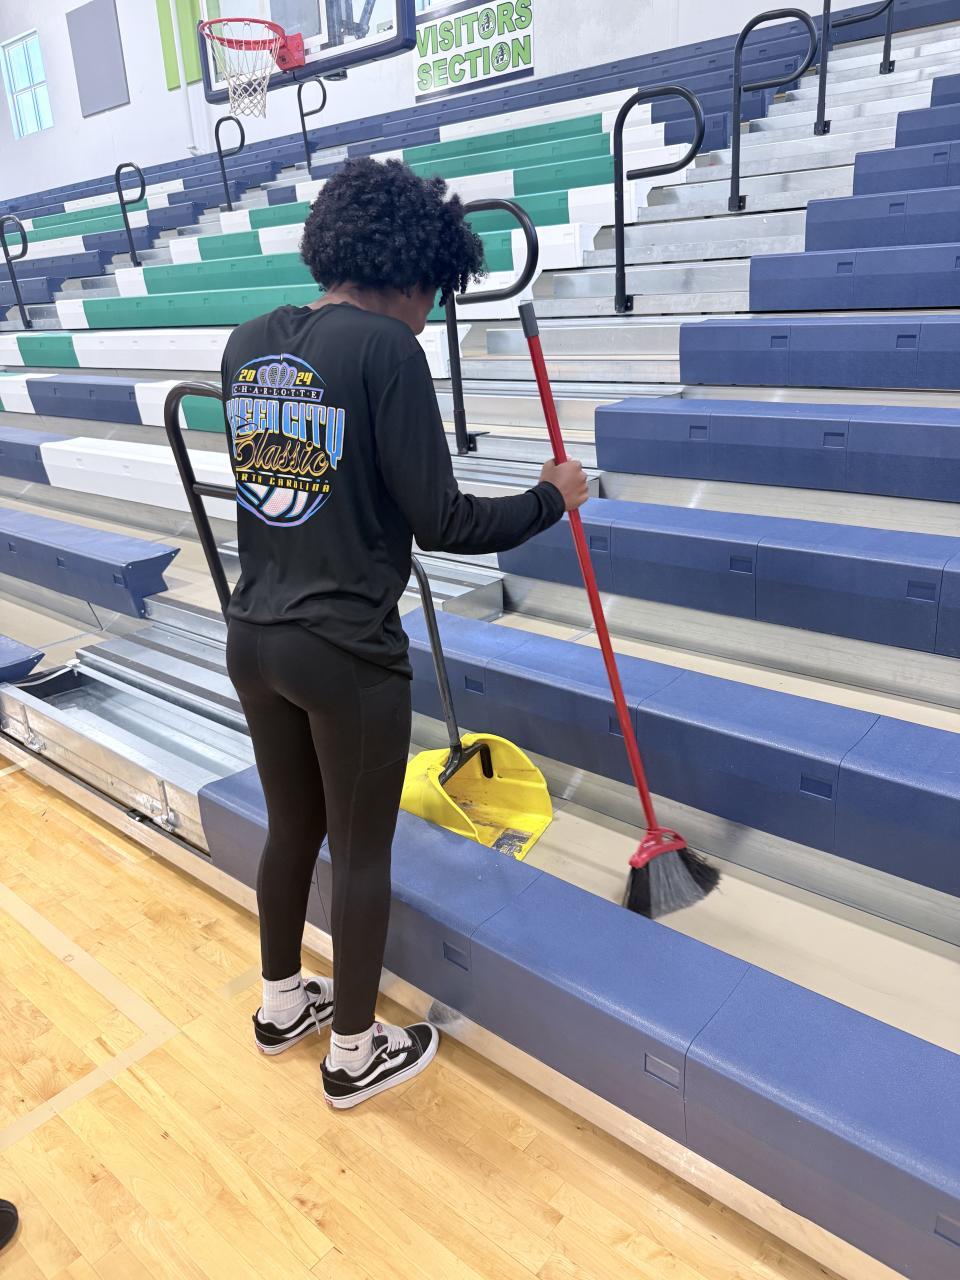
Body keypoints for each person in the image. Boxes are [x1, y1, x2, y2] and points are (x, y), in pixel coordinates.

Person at [221, 157, 589, 1110]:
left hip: (253, 634)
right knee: (361, 850)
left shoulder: (247, 344)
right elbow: (445, 522)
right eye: (433, 294)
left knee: (292, 828)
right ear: (411, 270)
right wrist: (551, 498)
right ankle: (353, 1054)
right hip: (344, 652)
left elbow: (300, 487)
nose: (430, 316)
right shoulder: (387, 350)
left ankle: (280, 1005)